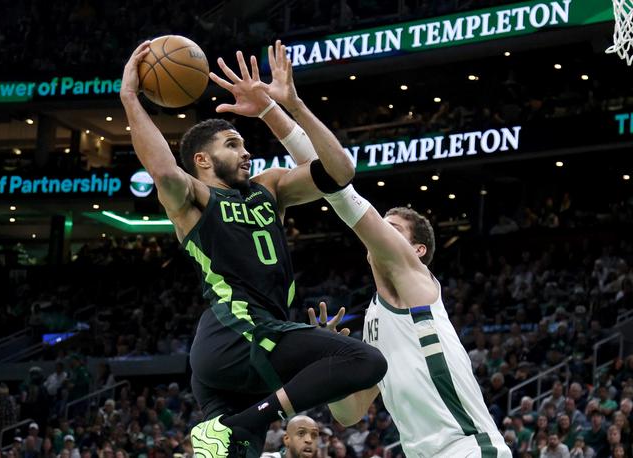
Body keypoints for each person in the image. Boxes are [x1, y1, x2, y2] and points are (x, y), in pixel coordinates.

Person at [120, 40, 386, 458]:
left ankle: (233, 426)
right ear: (203, 161)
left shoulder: (270, 188)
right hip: (239, 334)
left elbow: (341, 171)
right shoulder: (194, 201)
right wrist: (130, 97)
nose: (246, 152)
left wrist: (290, 106)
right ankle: (247, 420)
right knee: (367, 362)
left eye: (244, 144)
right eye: (232, 145)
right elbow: (163, 170)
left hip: (242, 356)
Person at [283, 110, 511, 456]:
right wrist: (326, 362)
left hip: (467, 448)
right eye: (382, 225)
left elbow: (338, 189)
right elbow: (349, 414)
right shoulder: (376, 323)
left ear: (417, 250)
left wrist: (282, 110)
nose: (382, 232)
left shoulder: (416, 282)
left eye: (394, 229)